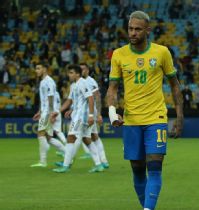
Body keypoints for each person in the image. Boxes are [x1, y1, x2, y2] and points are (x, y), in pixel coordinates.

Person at [106, 11, 183, 210]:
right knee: (138, 170)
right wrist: (113, 114)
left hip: (156, 117)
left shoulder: (162, 52)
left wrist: (179, 116)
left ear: (147, 30)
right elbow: (112, 89)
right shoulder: (118, 54)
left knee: (155, 167)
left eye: (137, 29)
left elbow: (175, 85)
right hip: (131, 120)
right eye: (130, 28)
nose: (132, 33)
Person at [52, 64, 104, 173]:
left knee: (71, 138)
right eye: (69, 72)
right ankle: (99, 165)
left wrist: (90, 116)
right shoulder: (74, 85)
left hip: (81, 117)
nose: (69, 75)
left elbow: (90, 99)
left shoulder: (82, 83)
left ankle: (65, 166)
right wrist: (58, 111)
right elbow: (69, 101)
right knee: (86, 139)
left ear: (77, 74)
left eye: (71, 73)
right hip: (79, 116)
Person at [30, 63, 65, 168]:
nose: (36, 70)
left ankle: (43, 161)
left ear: (44, 69)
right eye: (36, 68)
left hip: (48, 112)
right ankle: (68, 153)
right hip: (45, 111)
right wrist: (39, 111)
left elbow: (50, 98)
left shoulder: (49, 81)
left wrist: (50, 113)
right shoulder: (43, 82)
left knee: (40, 134)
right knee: (49, 138)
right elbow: (43, 99)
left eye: (38, 68)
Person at [80, 63, 109, 167]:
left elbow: (97, 97)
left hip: (89, 113)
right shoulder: (80, 81)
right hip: (87, 113)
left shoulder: (90, 81)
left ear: (87, 70)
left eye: (83, 69)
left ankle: (99, 163)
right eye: (80, 69)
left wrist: (99, 114)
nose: (81, 71)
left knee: (86, 137)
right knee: (94, 136)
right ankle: (104, 161)